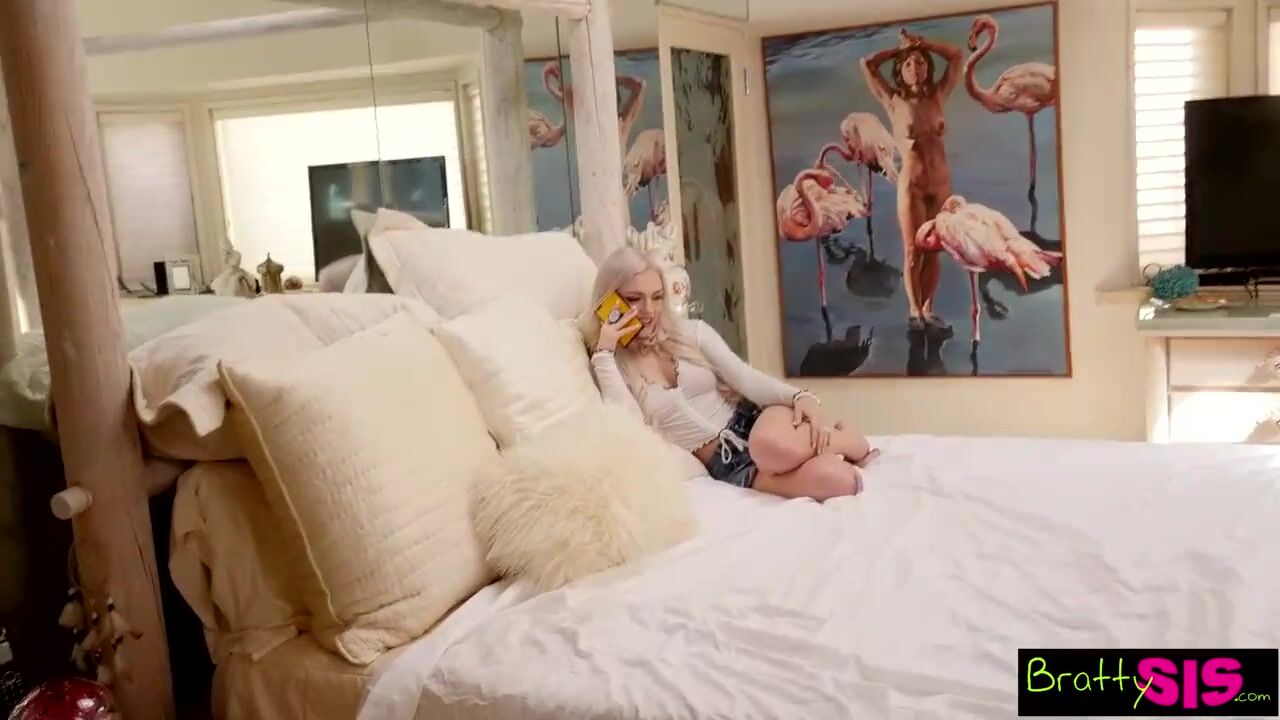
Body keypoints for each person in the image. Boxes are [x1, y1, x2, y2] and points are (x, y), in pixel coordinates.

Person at [584, 247, 878, 501]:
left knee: (770, 447)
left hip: (760, 424)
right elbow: (630, 429)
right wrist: (604, 353)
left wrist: (799, 396)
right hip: (728, 464)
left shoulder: (691, 333)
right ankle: (833, 442)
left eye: (657, 297)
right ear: (609, 302)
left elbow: (744, 378)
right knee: (839, 481)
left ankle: (846, 442)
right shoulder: (612, 368)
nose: (649, 310)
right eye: (634, 298)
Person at [861, 28, 964, 333]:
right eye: (908, 64)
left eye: (920, 62)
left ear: (927, 68)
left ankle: (928, 308)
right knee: (913, 251)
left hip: (941, 185)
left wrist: (923, 44)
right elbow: (868, 64)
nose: (914, 68)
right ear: (900, 72)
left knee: (934, 250)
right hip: (913, 186)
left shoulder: (938, 95)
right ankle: (914, 310)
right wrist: (901, 49)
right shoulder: (892, 101)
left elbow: (957, 56)